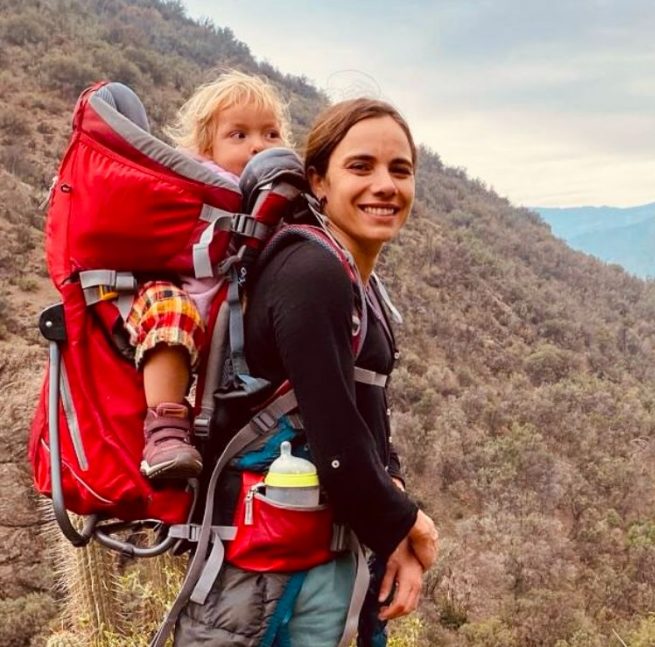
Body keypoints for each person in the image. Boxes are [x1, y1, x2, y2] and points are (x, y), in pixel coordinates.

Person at [174, 98, 438, 646]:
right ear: (317, 180)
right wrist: (410, 524)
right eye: (360, 167)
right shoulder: (311, 271)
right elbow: (337, 441)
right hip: (269, 586)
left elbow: (365, 421)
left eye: (400, 169)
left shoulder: (354, 280)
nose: (385, 185)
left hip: (316, 566)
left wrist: (392, 515)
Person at [126, 70, 289, 480]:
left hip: (228, 319)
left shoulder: (280, 195)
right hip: (175, 298)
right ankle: (165, 428)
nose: (258, 146)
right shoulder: (202, 186)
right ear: (205, 148)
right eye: (239, 136)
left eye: (271, 134)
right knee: (171, 310)